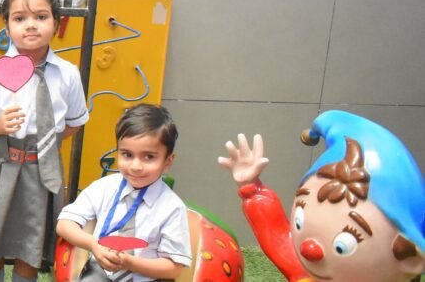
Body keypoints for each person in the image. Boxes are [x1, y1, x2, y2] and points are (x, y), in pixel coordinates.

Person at [0, 0, 90, 282]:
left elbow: (75, 121)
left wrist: (47, 141)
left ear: (56, 22)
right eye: (19, 18)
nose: (31, 25)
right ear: (6, 24)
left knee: (30, 248)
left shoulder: (67, 74)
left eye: (41, 17)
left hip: (41, 173)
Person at [219, 111, 425, 282]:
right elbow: (277, 234)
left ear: (410, 258)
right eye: (299, 221)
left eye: (344, 244)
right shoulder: (305, 274)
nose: (309, 249)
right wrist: (251, 187)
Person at [57, 104, 191, 282]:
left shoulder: (172, 207)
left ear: (168, 161)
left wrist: (129, 263)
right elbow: (64, 224)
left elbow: (173, 268)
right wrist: (93, 245)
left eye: (149, 157)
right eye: (127, 154)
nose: (136, 166)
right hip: (100, 272)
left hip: (147, 277)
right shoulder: (104, 188)